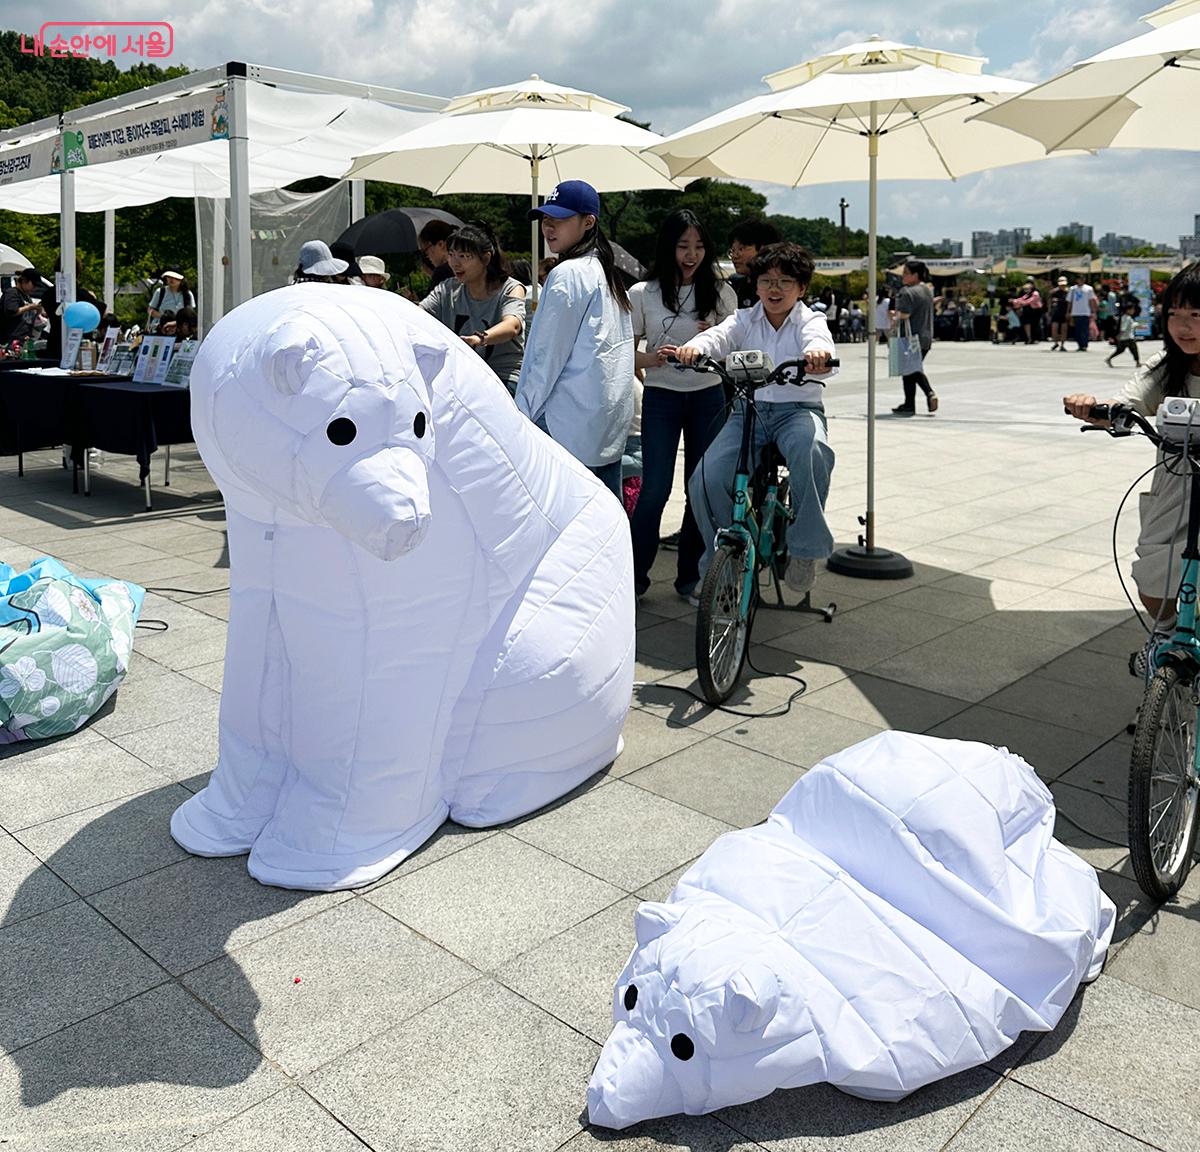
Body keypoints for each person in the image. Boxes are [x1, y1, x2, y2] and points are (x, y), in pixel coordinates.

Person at [670, 242, 837, 597]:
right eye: (766, 280)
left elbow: (818, 339)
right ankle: (723, 559)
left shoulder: (811, 320)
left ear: (801, 288)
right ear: (756, 285)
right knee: (703, 478)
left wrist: (818, 355)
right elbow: (718, 336)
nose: (774, 289)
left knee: (814, 452)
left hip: (798, 411)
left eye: (785, 281)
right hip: (750, 410)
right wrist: (696, 347)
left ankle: (804, 550)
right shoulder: (744, 319)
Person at [1064, 263, 1200, 674]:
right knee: (1151, 573)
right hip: (1176, 487)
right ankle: (1163, 636)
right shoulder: (1167, 365)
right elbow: (1131, 400)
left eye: (1196, 315)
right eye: (1174, 314)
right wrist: (1095, 407)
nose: (1183, 326)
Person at [628, 209, 737, 599]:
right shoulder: (643, 293)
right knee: (654, 489)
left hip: (708, 396)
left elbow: (736, 353)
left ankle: (690, 578)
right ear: (668, 247)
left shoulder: (723, 293)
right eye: (683, 246)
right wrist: (652, 359)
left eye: (699, 246)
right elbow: (624, 348)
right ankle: (634, 579)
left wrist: (715, 341)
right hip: (661, 397)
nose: (691, 255)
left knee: (700, 489)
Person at [516, 180, 634, 499]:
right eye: (546, 218)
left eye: (560, 218)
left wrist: (518, 419)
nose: (549, 226)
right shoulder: (607, 272)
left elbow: (545, 358)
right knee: (603, 533)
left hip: (565, 426)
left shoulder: (568, 274)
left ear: (588, 222)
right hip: (604, 429)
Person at [420, 221, 526, 397]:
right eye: (451, 255)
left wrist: (480, 338)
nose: (454, 263)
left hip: (503, 377)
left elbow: (512, 325)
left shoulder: (511, 288)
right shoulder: (447, 289)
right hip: (461, 377)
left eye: (463, 256)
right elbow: (418, 312)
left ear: (485, 258)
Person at [891, 259, 937, 415]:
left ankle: (929, 393)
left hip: (910, 337)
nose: (903, 276)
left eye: (906, 273)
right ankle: (909, 404)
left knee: (911, 369)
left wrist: (894, 315)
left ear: (915, 275)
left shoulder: (907, 292)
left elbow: (905, 314)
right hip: (926, 335)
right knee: (910, 371)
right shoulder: (927, 290)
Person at [41, 257, 105, 360]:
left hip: (55, 342)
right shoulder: (83, 295)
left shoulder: (47, 295)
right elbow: (100, 312)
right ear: (78, 273)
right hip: (81, 345)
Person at [728, 219, 782, 308]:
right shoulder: (736, 285)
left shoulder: (779, 290)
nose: (735, 256)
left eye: (741, 249)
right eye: (732, 251)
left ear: (764, 249)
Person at [0, 268, 45, 347]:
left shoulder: (26, 297)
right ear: (24, 281)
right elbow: (11, 311)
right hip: (11, 340)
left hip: (24, 339)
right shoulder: (12, 293)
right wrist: (30, 307)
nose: (35, 288)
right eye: (33, 285)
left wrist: (38, 311)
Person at [418, 220, 456, 290]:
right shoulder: (464, 266)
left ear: (441, 244)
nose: (427, 256)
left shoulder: (442, 272)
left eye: (426, 250)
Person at [1106, 300, 1141, 368]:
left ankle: (1109, 359)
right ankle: (1137, 362)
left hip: (1126, 337)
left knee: (1120, 350)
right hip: (1127, 338)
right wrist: (1118, 336)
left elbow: (1130, 326)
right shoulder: (1127, 318)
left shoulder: (1126, 317)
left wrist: (1136, 325)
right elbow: (1123, 328)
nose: (1133, 311)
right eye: (1132, 309)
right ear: (1128, 310)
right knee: (1134, 350)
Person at [1068, 273, 1098, 351]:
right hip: (1076, 312)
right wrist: (1068, 311)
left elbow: (1091, 300)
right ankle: (1080, 345)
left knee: (1084, 329)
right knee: (1077, 329)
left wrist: (1093, 311)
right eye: (1079, 279)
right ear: (1076, 280)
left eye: (1082, 279)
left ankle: (1084, 345)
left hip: (1085, 312)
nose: (1080, 281)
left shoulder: (1089, 289)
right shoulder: (1072, 289)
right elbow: (1069, 301)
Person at [1012, 280, 1042, 345]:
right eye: (1025, 289)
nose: (1025, 290)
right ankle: (1029, 338)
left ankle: (1033, 338)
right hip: (1030, 310)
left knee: (1034, 325)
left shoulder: (1035, 293)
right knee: (1026, 323)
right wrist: (1015, 301)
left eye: (1027, 289)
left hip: (1037, 311)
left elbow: (1029, 301)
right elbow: (1021, 299)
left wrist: (1019, 302)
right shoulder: (1027, 294)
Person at [1048, 276, 1070, 351]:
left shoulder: (1068, 292)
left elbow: (1070, 303)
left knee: (1064, 330)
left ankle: (1062, 345)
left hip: (1064, 312)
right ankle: (1055, 343)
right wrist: (1049, 312)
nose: (1062, 286)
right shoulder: (1053, 292)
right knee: (1054, 329)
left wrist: (1068, 312)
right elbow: (1049, 302)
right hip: (1055, 312)